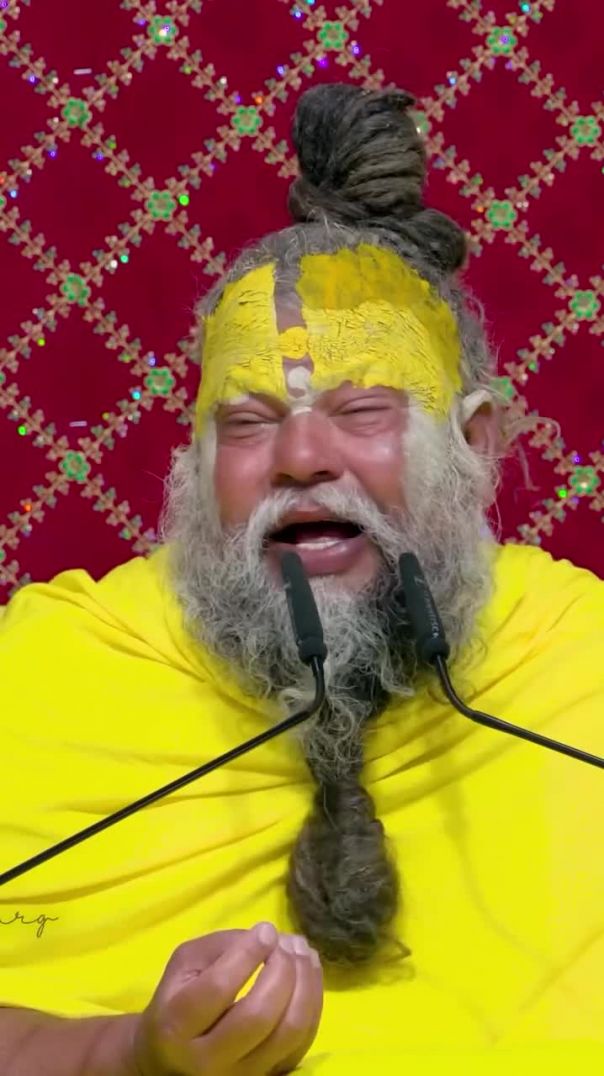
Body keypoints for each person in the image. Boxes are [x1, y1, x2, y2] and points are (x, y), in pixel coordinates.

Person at [0, 83, 602, 1075]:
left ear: (478, 442)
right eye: (248, 424)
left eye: (363, 412)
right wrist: (125, 1052)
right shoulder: (45, 672)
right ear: (194, 466)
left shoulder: (582, 664)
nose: (301, 457)